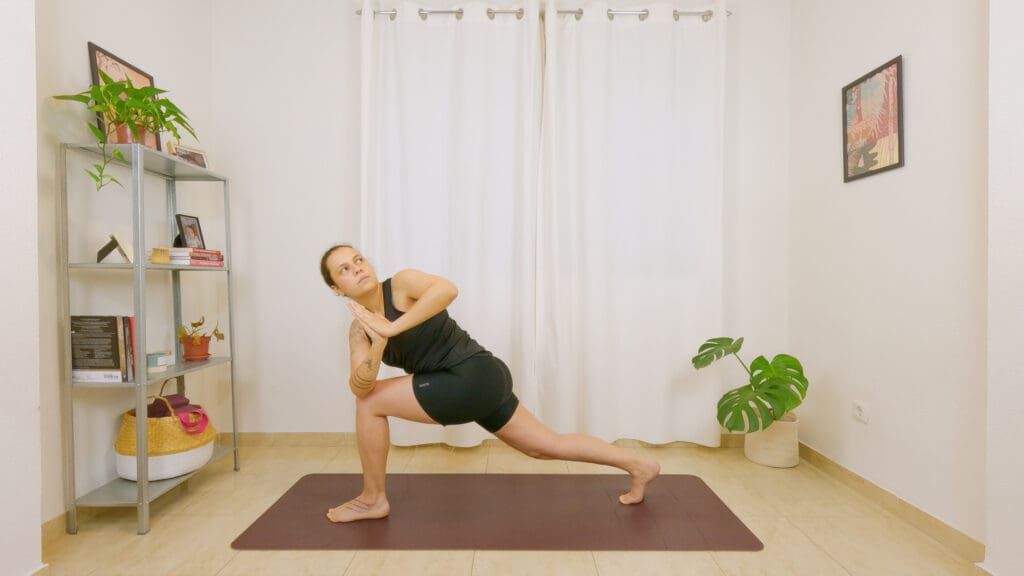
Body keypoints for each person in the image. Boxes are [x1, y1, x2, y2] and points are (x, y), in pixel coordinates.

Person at [319, 245, 660, 522]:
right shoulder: (359, 330)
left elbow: (447, 290)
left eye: (359, 260)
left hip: (472, 375)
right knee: (545, 445)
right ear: (337, 289)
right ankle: (639, 465)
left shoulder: (401, 284)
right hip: (478, 381)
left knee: (371, 405)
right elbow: (360, 386)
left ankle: (373, 498)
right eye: (344, 269)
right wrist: (378, 343)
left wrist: (392, 328)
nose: (358, 268)